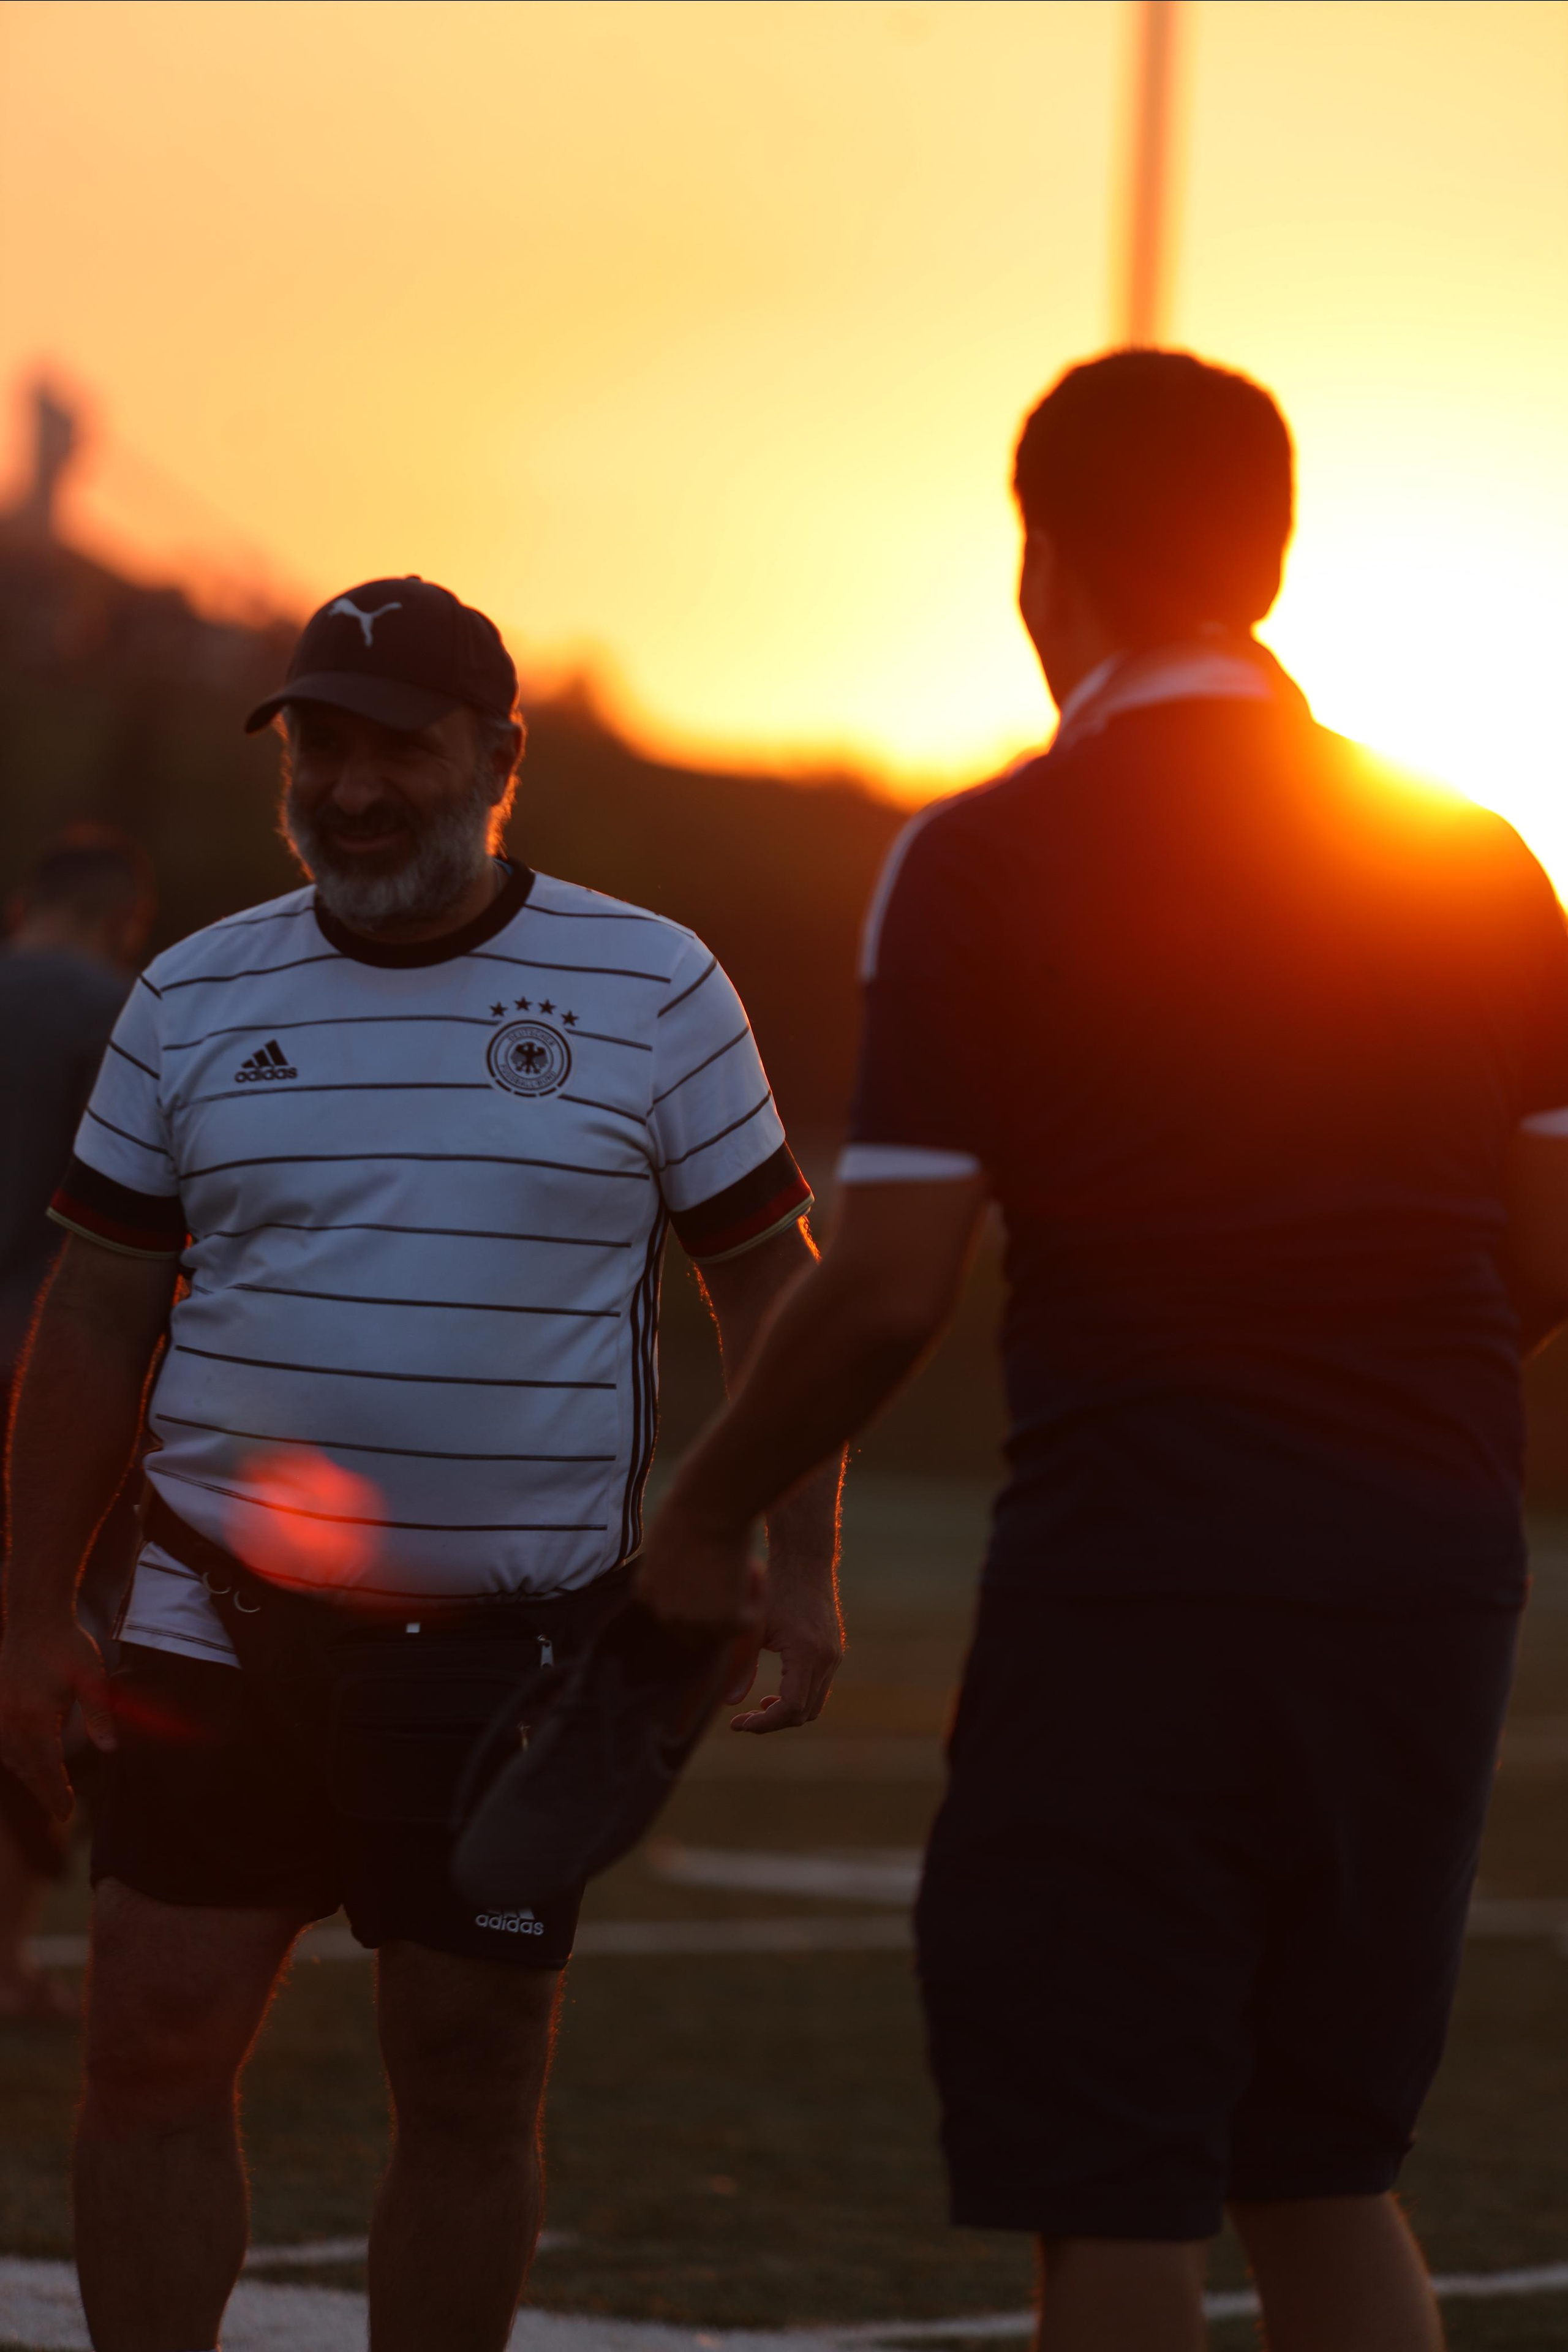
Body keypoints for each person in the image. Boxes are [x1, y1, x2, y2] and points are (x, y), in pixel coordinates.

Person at [635, 350, 1568, 2352]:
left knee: (1113, 2173)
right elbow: (1550, 1244)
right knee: (1325, 2162)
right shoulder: (1481, 857)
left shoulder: (993, 852)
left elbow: (892, 1282)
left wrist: (704, 1506)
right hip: (1427, 1567)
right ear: (1276, 558)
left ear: (1042, 561)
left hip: (1146, 1561)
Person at [0, 576, 842, 2352]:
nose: (352, 788)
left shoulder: (653, 983)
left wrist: (805, 1562)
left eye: (400, 748)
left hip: (507, 1644)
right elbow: (92, 1315)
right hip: (212, 1614)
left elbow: (772, 1285)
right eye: (318, 746)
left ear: (500, 757)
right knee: (148, 2038)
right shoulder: (190, 992)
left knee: (465, 2070)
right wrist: (26, 1613)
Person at [0, 826, 154, 2020]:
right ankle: (4, 1959)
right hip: (43, 1368)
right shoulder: (119, 1013)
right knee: (53, 1644)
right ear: (123, 922)